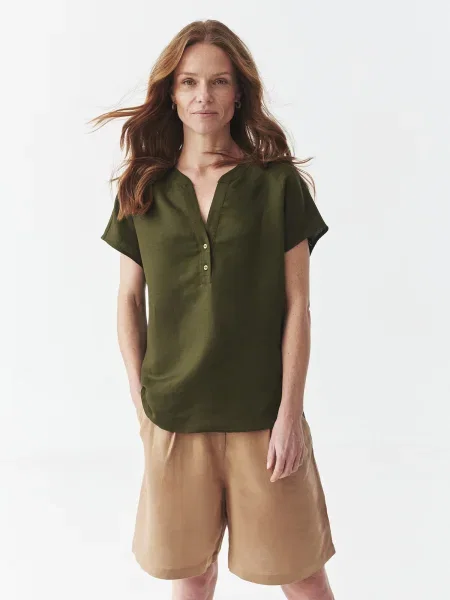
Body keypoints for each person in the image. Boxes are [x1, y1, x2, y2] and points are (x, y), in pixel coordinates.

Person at [94, 19, 336, 600]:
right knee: (192, 575)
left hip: (262, 416)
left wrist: (289, 415)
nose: (204, 95)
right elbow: (127, 299)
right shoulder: (142, 187)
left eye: (219, 81)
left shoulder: (276, 185)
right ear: (172, 94)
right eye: (189, 82)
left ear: (238, 93)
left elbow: (299, 305)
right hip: (175, 415)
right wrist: (142, 403)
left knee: (301, 575)